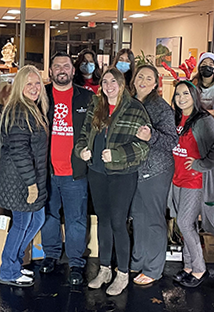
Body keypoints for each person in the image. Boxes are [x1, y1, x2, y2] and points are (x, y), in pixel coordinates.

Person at [76, 68, 151, 296]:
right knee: (103, 221)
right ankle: (105, 269)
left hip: (122, 175)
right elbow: (83, 134)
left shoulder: (135, 109)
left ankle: (123, 274)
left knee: (118, 222)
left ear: (122, 84)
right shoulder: (96, 106)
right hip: (97, 172)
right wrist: (82, 150)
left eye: (113, 81)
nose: (109, 86)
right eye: (105, 82)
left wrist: (117, 155)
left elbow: (143, 147)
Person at [166, 80, 214, 289]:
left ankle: (200, 268)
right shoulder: (176, 119)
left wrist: (202, 164)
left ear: (194, 96)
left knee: (185, 223)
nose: (181, 98)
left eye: (185, 93)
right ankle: (188, 266)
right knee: (186, 225)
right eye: (177, 95)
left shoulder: (203, 120)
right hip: (177, 180)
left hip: (195, 181)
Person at [38, 52, 95, 285]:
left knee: (76, 219)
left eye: (66, 66)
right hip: (47, 170)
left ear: (73, 70)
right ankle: (50, 255)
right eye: (57, 66)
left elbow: (96, 129)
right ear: (50, 71)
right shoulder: (40, 95)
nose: (62, 69)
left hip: (75, 172)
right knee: (49, 217)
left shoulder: (87, 98)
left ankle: (76, 263)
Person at [0, 65, 49, 287]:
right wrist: (31, 185)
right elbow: (20, 151)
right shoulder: (19, 110)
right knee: (22, 223)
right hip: (21, 181)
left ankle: (13, 262)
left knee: (37, 219)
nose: (34, 88)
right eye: (29, 84)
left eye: (37, 83)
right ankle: (8, 269)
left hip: (28, 178)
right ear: (19, 86)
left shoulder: (32, 108)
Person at [129, 65, 179, 285]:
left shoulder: (160, 107)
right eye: (140, 76)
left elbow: (172, 140)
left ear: (156, 83)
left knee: (153, 218)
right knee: (138, 216)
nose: (143, 81)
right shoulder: (128, 102)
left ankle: (153, 268)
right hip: (134, 169)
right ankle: (138, 260)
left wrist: (151, 136)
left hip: (156, 169)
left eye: (148, 78)